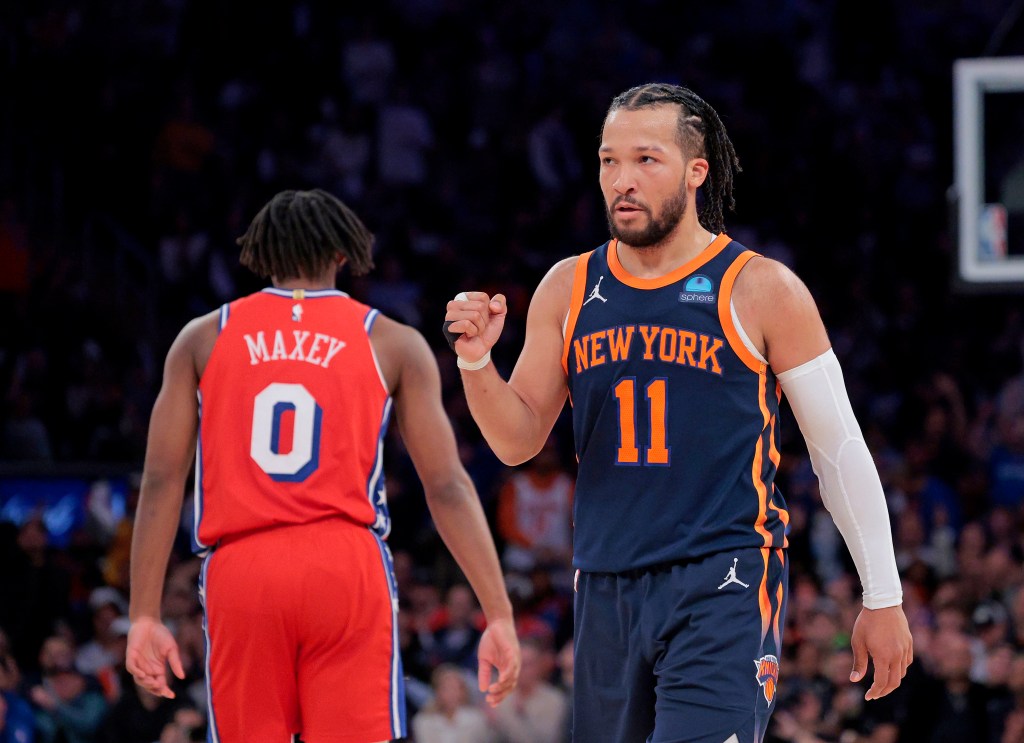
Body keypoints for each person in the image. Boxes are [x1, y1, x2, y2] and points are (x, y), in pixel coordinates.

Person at [444, 83, 913, 742]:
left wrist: (882, 594)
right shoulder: (569, 286)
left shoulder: (761, 288)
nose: (622, 180)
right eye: (609, 161)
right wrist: (475, 364)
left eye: (646, 160)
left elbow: (838, 451)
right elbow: (517, 440)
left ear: (698, 171)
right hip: (605, 585)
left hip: (721, 579)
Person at [127, 188, 520, 741]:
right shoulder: (392, 340)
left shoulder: (203, 336)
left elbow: (164, 479)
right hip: (345, 563)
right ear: (343, 255)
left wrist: (143, 614)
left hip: (243, 567)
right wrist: (498, 612)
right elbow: (448, 487)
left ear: (261, 255)